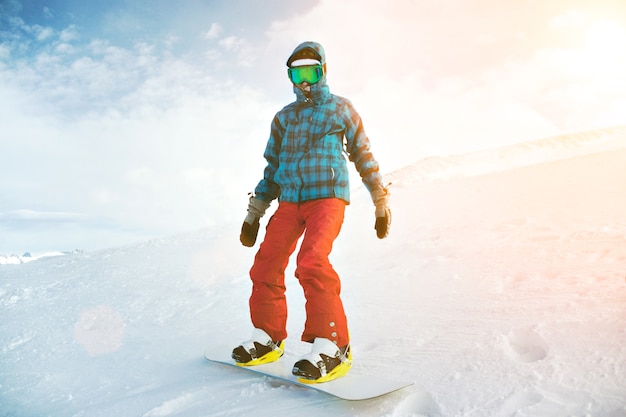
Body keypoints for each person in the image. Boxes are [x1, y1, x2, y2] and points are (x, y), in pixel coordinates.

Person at [232, 41, 391, 383]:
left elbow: (362, 154)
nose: (305, 80)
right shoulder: (284, 117)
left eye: (311, 72)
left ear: (323, 72)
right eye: (297, 73)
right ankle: (268, 337)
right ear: (290, 75)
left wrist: (380, 200)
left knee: (312, 261)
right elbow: (272, 168)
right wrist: (254, 213)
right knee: (266, 264)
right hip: (290, 199)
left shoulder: (340, 108)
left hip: (326, 197)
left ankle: (332, 344)